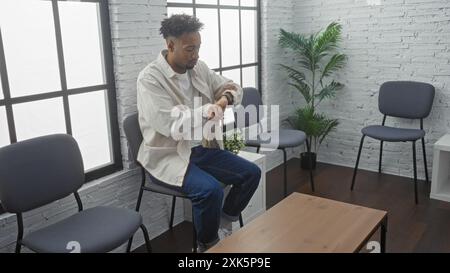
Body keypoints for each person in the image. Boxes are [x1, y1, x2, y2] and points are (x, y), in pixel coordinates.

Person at [136, 14, 261, 252]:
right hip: (169, 155)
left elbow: (234, 87)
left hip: (201, 149)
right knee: (210, 190)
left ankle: (224, 223)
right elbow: (169, 124)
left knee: (251, 173)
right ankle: (206, 245)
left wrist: (223, 100)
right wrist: (207, 110)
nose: (196, 55)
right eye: (189, 49)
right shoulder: (150, 79)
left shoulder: (198, 68)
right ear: (170, 45)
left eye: (198, 48)